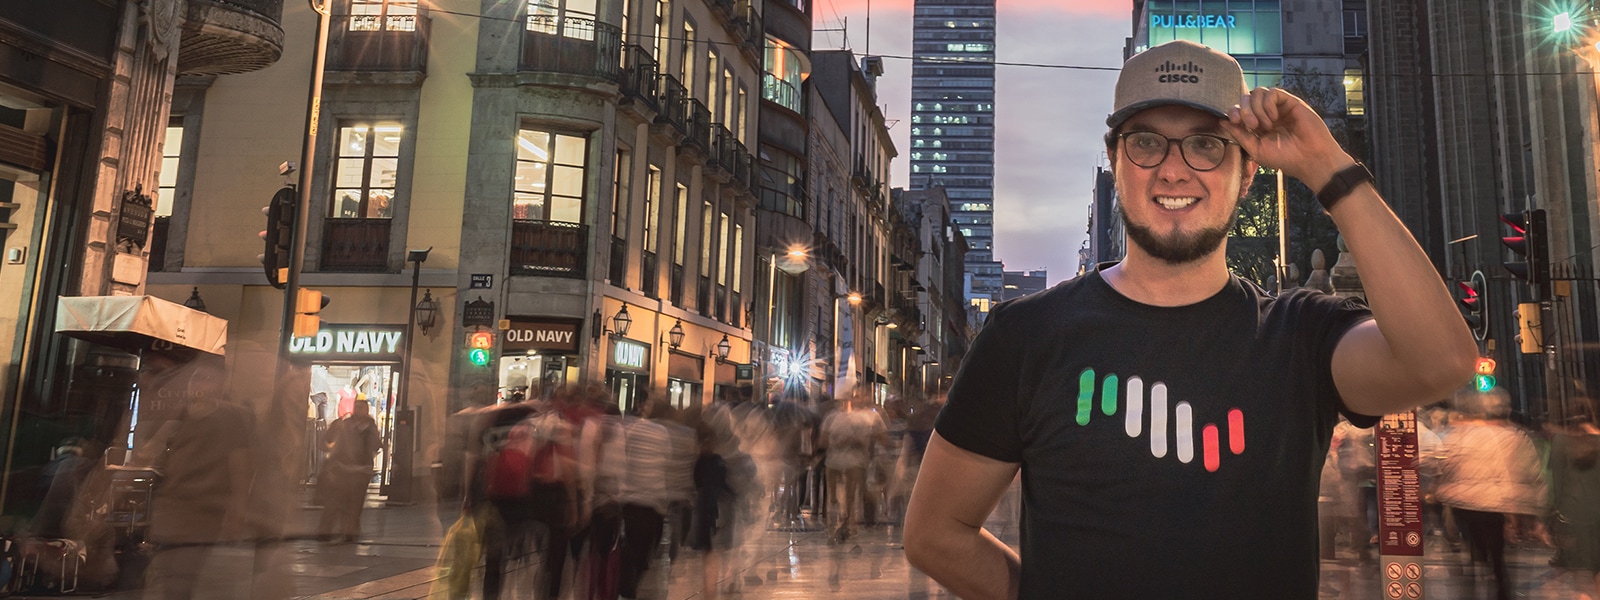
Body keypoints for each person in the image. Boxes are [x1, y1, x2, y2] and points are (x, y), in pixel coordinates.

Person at [902, 39, 1476, 599]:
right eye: (1147, 142)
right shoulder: (1025, 337)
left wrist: (1328, 166)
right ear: (1114, 161)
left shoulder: (1299, 336)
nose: (1174, 171)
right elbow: (935, 534)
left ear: (1247, 174)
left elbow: (1442, 362)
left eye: (1205, 146)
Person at [1428, 389, 1547, 600]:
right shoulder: (1512, 436)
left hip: (1463, 503)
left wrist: (1437, 489)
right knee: (1498, 552)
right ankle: (1500, 587)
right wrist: (1527, 509)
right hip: (1497, 504)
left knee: (1472, 546)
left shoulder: (1455, 435)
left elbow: (1442, 464)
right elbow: (1529, 472)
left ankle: (1475, 577)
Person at [318, 399, 381, 543]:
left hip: (360, 471)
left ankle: (348, 531)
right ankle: (334, 530)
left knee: (355, 503)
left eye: (362, 408)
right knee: (339, 501)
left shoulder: (370, 427)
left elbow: (376, 445)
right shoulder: (343, 424)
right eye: (357, 408)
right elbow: (325, 442)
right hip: (343, 469)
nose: (360, 411)